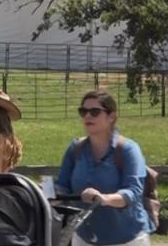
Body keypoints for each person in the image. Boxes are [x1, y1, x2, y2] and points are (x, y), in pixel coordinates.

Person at [55, 90, 156, 246]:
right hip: (83, 238)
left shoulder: (128, 149)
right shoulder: (75, 149)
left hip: (127, 239)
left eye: (94, 112)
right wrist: (44, 193)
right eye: (83, 111)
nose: (87, 116)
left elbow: (133, 192)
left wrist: (103, 199)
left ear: (111, 117)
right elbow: (62, 186)